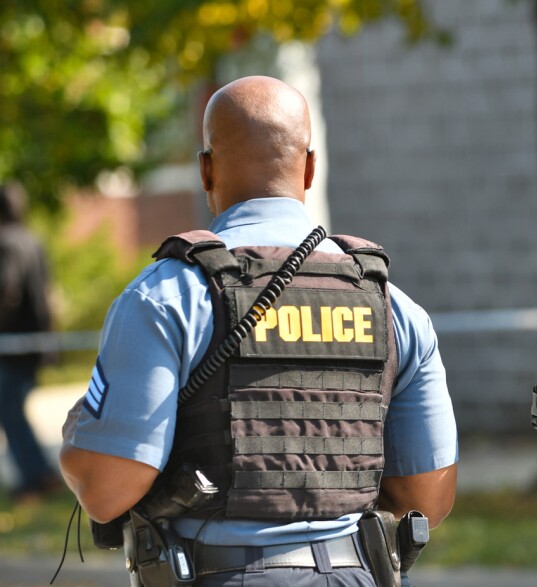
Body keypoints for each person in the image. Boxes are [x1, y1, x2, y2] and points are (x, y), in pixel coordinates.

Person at [59, 75, 458, 586]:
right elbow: (428, 499)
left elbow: (106, 488)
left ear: (206, 168)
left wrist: (78, 435)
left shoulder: (165, 297)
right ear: (309, 167)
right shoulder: (392, 306)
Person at [0, 181, 59, 502]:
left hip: (13, 344)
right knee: (13, 411)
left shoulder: (7, 244)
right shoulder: (33, 242)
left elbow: (7, 293)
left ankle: (33, 480)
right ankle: (41, 474)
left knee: (8, 411)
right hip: (37, 340)